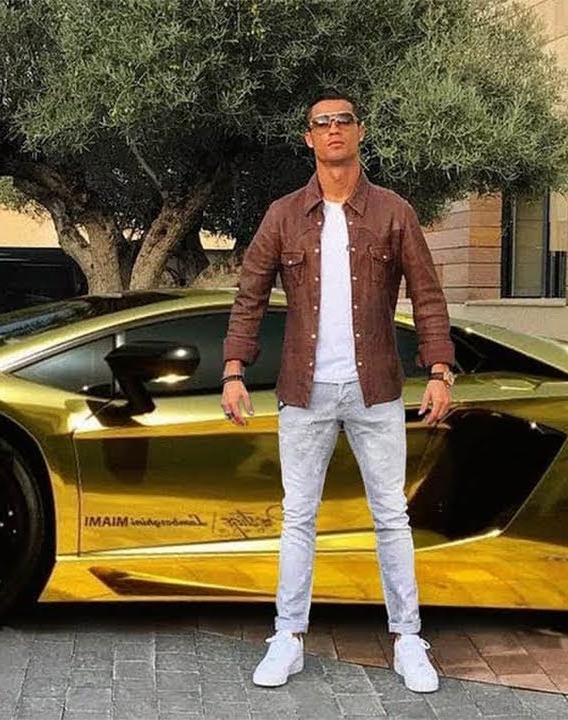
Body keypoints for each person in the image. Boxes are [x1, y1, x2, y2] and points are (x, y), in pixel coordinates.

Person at [219, 91, 456, 693]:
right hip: (304, 390)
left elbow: (427, 294)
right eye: (321, 123)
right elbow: (249, 296)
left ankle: (408, 639)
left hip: (375, 389)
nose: (332, 130)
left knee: (391, 515)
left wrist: (439, 369)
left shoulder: (394, 212)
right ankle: (288, 637)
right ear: (308, 138)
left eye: (342, 121)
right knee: (298, 517)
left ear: (359, 132)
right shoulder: (283, 216)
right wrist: (233, 369)